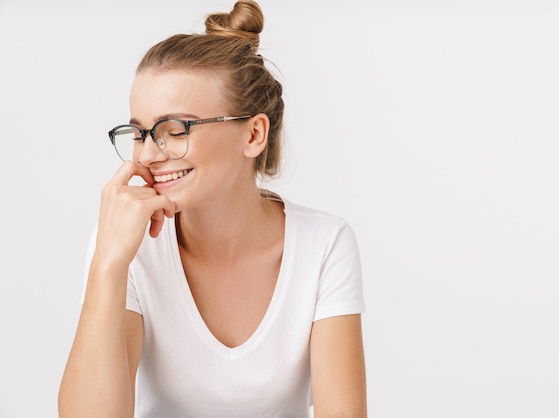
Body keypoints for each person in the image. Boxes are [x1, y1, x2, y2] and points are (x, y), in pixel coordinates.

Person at [58, 1, 367, 417]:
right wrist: (107, 265)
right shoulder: (128, 246)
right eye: (139, 132)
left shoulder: (324, 244)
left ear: (254, 134)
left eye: (175, 129)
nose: (147, 154)